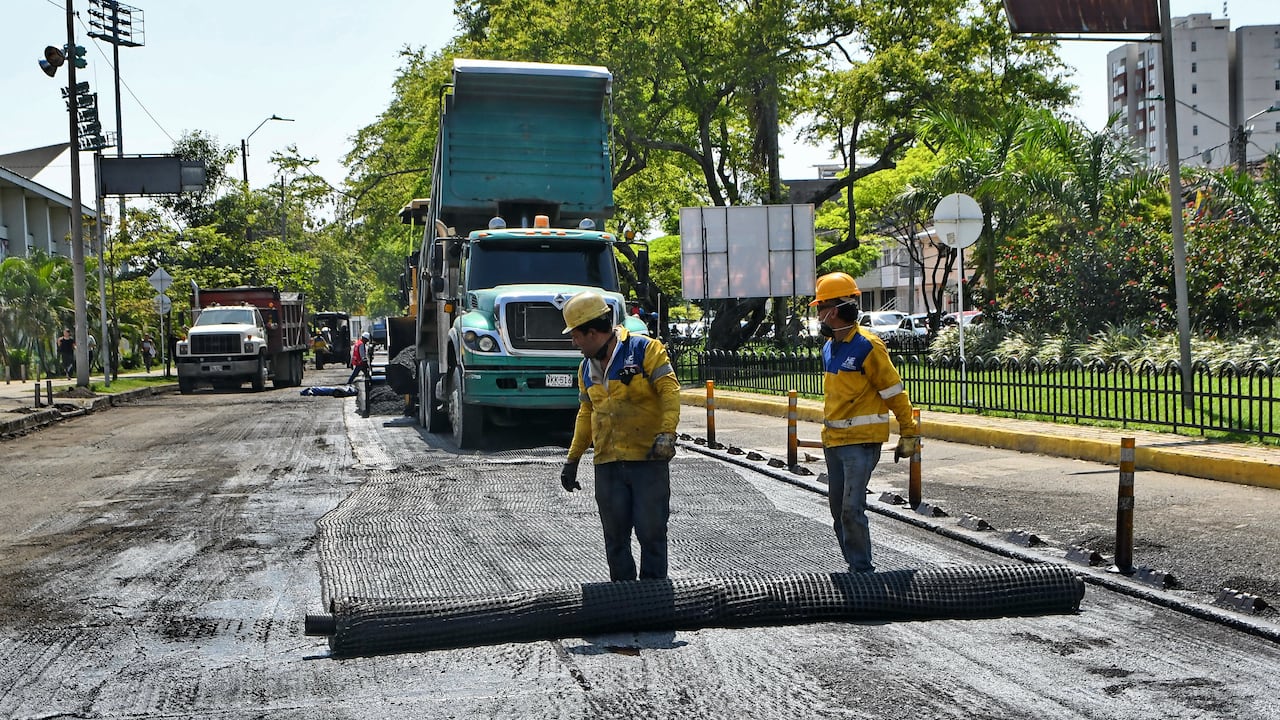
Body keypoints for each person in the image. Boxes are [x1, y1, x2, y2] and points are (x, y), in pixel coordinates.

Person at [559, 291, 681, 581]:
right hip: (608, 463)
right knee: (615, 537)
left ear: (591, 332)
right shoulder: (585, 368)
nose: (574, 343)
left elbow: (669, 391)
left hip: (647, 459)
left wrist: (667, 434)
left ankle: (653, 598)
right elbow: (586, 413)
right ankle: (623, 602)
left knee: (651, 532)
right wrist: (572, 459)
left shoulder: (645, 351)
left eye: (576, 336)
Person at [810, 272, 920, 574]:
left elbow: (894, 392)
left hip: (861, 445)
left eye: (820, 307)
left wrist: (908, 431)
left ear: (834, 309)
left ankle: (862, 570)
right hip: (833, 443)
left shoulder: (869, 347)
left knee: (851, 508)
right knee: (837, 510)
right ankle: (853, 566)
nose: (818, 314)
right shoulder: (829, 348)